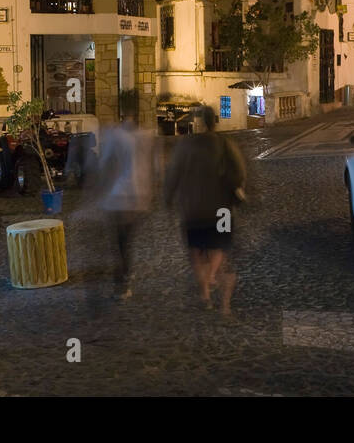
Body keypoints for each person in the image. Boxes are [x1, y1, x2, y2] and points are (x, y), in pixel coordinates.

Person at [165, 107, 246, 317]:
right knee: (219, 249)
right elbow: (238, 173)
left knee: (196, 253)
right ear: (214, 122)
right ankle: (220, 297)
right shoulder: (225, 144)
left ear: (197, 122)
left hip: (193, 209)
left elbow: (173, 174)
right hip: (222, 209)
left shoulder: (185, 146)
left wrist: (168, 199)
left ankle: (205, 294)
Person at [94, 115, 154, 300]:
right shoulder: (145, 137)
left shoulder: (115, 138)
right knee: (127, 239)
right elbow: (153, 168)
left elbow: (105, 165)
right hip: (137, 196)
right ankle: (126, 273)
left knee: (120, 241)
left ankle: (122, 281)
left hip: (119, 195)